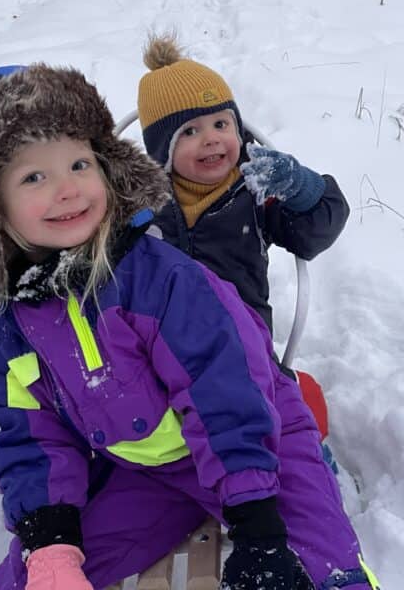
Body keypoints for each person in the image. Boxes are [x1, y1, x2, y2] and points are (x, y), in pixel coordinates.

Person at [0, 64, 378, 590]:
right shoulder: (7, 332)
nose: (67, 189)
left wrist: (258, 525)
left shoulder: (159, 278)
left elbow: (224, 386)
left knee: (321, 568)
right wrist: (51, 543)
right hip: (147, 470)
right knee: (28, 579)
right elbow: (31, 438)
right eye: (34, 176)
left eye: (80, 163)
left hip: (257, 438)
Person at [136, 36, 350, 447]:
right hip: (162, 351)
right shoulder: (142, 203)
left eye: (222, 124)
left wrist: (301, 189)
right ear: (163, 147)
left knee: (278, 416)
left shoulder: (254, 188)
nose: (213, 139)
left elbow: (314, 234)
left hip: (243, 346)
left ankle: (297, 464)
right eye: (191, 131)